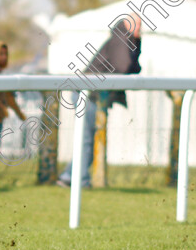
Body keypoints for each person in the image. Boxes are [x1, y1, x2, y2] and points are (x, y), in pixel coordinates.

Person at [57, 14, 142, 188]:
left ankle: (72, 176)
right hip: (87, 94)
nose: (140, 29)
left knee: (88, 137)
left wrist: (137, 43)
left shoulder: (125, 40)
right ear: (127, 25)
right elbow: (125, 66)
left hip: (91, 94)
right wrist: (135, 43)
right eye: (137, 25)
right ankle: (75, 178)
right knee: (87, 138)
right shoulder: (120, 39)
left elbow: (134, 68)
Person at [0, 39, 27, 182]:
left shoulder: (3, 75)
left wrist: (20, 115)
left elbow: (9, 97)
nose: (3, 57)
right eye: (0, 54)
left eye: (5, 54)